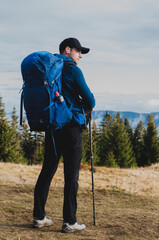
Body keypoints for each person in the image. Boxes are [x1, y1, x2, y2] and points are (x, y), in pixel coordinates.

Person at [33, 38, 96, 233]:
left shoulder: (47, 69)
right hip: (71, 129)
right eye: (78, 51)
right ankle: (69, 221)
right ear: (67, 50)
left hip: (52, 128)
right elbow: (90, 99)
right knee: (71, 176)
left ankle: (39, 216)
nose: (80, 56)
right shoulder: (72, 69)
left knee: (47, 171)